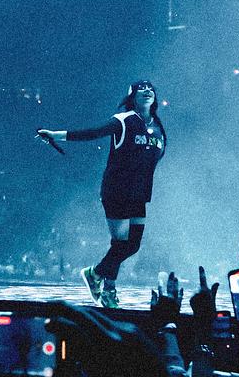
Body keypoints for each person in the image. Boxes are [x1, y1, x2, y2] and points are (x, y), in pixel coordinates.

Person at [37, 79, 166, 308]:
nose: (147, 91)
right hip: (117, 189)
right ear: (132, 96)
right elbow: (93, 133)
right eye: (141, 89)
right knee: (120, 243)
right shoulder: (123, 120)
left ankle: (95, 274)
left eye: (150, 89)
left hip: (140, 193)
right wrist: (56, 135)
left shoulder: (158, 126)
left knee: (131, 245)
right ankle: (108, 291)